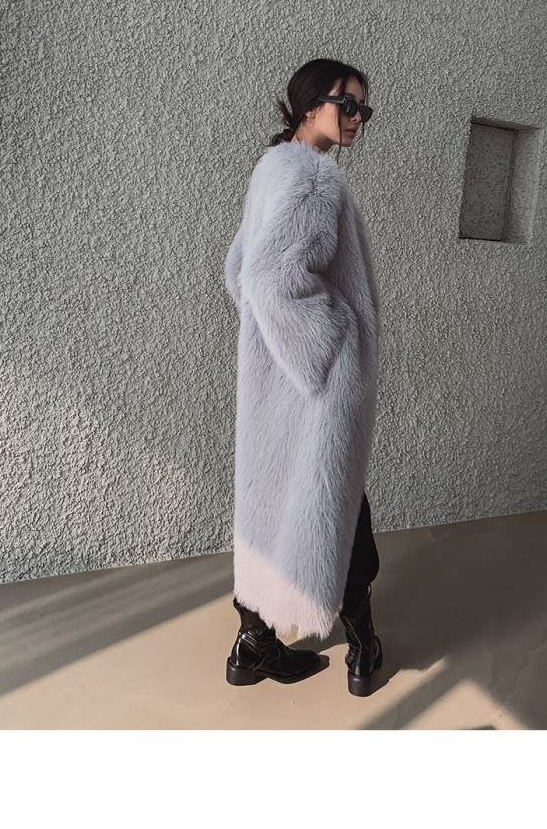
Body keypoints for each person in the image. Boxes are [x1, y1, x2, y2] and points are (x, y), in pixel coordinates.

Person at [224, 59, 382, 696]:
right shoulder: (315, 180)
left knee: (274, 499)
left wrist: (277, 348)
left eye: (363, 109)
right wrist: (332, 340)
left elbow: (238, 269)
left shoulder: (272, 168)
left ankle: (251, 646)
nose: (357, 119)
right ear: (312, 104)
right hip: (317, 386)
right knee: (337, 503)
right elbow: (268, 279)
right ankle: (363, 646)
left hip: (276, 383)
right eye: (348, 105)